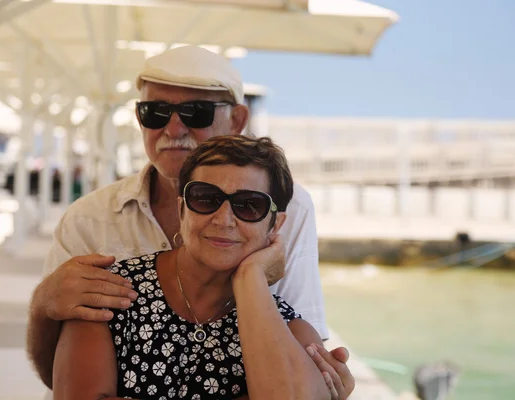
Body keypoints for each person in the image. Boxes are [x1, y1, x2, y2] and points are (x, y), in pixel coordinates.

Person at [27, 45, 354, 397]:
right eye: (154, 112)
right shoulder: (88, 220)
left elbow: (298, 367)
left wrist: (249, 279)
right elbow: (64, 376)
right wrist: (42, 305)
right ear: (184, 209)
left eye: (195, 112)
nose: (173, 128)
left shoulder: (294, 206)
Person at [54, 135, 341, 399]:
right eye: (205, 198)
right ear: (182, 209)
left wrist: (250, 278)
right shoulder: (110, 291)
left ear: (275, 225)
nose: (224, 219)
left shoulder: (290, 328)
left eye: (249, 206)